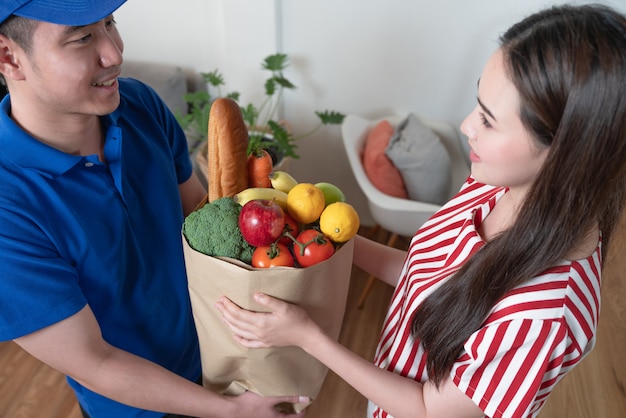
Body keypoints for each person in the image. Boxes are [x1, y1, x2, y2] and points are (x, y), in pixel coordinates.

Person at [216, 4, 626, 418]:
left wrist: (308, 338)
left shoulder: (542, 318)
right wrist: (316, 236)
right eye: (477, 102)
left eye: (488, 119)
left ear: (564, 153)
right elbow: (423, 274)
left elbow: (431, 409)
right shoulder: (492, 183)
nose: (467, 125)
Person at [0, 1, 307, 417]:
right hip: (138, 405)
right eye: (82, 38)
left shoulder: (140, 105)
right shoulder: (8, 205)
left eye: (110, 24)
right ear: (9, 57)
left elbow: (201, 227)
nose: (113, 54)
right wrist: (230, 411)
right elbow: (95, 362)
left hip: (218, 358)